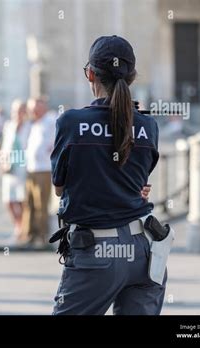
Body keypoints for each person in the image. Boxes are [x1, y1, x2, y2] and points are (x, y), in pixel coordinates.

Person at [51, 35, 163, 315]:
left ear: (91, 74)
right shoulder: (148, 126)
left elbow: (59, 187)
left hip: (98, 249)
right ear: (132, 76)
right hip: (145, 250)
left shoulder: (72, 122)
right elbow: (138, 185)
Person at [21, 97, 56, 247]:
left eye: (36, 107)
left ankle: (42, 236)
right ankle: (29, 234)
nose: (33, 111)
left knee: (41, 203)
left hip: (44, 168)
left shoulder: (50, 121)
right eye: (31, 108)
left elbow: (56, 139)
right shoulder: (33, 124)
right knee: (29, 203)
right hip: (31, 167)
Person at [0, 99, 31, 244]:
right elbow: (4, 145)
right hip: (9, 167)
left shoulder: (30, 126)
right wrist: (2, 162)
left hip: (23, 167)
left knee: (21, 199)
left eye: (20, 110)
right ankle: (17, 227)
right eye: (15, 111)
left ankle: (22, 231)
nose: (17, 113)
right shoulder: (9, 126)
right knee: (8, 200)